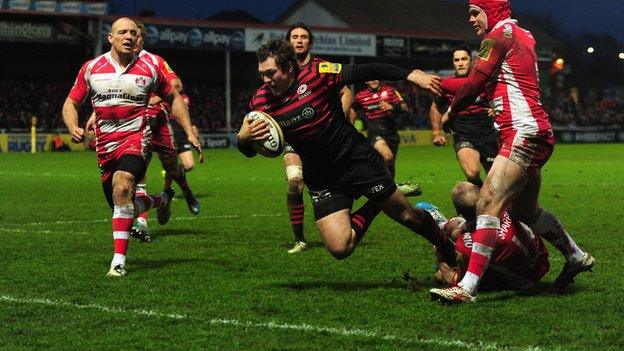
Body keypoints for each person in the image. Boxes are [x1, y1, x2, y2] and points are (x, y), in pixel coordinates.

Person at [237, 38, 456, 267]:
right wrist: (243, 139)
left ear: (289, 67)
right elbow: (253, 151)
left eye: (270, 73)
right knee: (340, 247)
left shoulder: (318, 72)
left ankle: (445, 246)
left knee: (408, 216)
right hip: (321, 177)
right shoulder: (261, 102)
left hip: (356, 160)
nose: (265, 80)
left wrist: (410, 74)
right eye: (262, 74)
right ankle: (375, 204)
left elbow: (366, 70)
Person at [430, 0, 594, 303]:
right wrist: (439, 84)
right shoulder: (520, 34)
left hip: (523, 133)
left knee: (487, 203)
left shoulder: (497, 35)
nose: (470, 19)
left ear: (491, 10)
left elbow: (476, 81)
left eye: (474, 12)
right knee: (524, 211)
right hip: (532, 132)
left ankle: (467, 288)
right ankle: (576, 256)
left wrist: (451, 110)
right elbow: (479, 82)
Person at [62, 17, 203, 277]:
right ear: (111, 38)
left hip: (136, 139)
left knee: (124, 184)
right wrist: (73, 126)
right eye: (123, 32)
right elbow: (70, 103)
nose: (129, 36)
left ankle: (118, 262)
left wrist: (188, 130)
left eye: (133, 33)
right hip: (105, 146)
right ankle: (161, 200)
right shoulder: (91, 68)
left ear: (139, 37)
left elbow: (174, 96)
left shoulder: (151, 67)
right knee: (121, 205)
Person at [87, 22, 203, 242]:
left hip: (159, 122)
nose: (133, 39)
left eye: (137, 35)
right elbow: (108, 96)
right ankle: (142, 222)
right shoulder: (113, 64)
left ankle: (186, 193)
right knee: (137, 171)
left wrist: (155, 97)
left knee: (172, 168)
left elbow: (176, 85)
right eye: (128, 34)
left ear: (142, 39)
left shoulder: (154, 61)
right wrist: (95, 115)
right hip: (135, 127)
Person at [281, 22, 354, 254]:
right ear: (288, 42)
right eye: (295, 37)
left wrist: (339, 119)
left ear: (310, 42)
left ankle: (343, 222)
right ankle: (299, 239)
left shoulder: (324, 66)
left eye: (304, 37)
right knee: (294, 181)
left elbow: (346, 91)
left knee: (334, 182)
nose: (299, 40)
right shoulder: (282, 70)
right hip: (296, 136)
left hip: (324, 137)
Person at [430, 182, 550, 300]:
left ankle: (444, 225)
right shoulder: (504, 203)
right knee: (458, 229)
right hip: (541, 257)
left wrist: (440, 258)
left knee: (440, 275)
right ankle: (446, 225)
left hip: (526, 280)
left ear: (458, 211)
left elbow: (454, 279)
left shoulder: (466, 244)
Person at [429, 46, 497, 187]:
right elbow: (435, 107)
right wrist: (436, 133)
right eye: (456, 60)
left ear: (471, 61)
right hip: (463, 133)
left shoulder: (484, 81)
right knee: (472, 174)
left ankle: (494, 204)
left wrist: (495, 108)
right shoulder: (446, 85)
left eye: (464, 59)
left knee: (496, 180)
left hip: (488, 133)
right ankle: (480, 202)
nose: (460, 63)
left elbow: (498, 99)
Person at [350, 80, 410, 180]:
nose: (373, 81)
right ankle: (376, 181)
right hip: (375, 133)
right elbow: (353, 109)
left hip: (391, 133)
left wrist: (392, 107)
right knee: (387, 156)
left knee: (390, 164)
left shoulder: (390, 91)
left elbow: (405, 108)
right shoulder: (360, 96)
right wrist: (351, 125)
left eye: (376, 78)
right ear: (366, 81)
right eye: (370, 79)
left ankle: (390, 188)